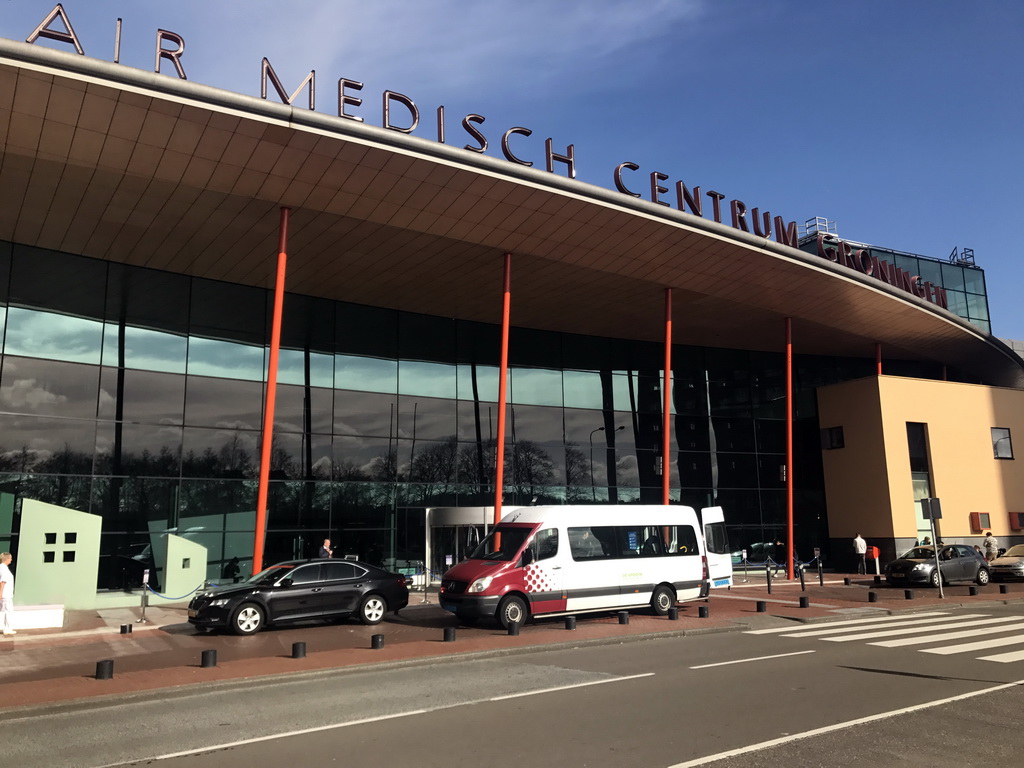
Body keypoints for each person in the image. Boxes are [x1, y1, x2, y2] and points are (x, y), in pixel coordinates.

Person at [0, 552, 14, 636]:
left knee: (6, 611)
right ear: (6, 559)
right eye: (10, 558)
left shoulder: (2, 568)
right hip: (6, 594)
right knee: (8, 611)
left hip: (5, 594)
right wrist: (0, 593)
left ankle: (7, 628)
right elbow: (2, 582)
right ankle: (7, 628)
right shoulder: (4, 569)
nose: (11, 560)